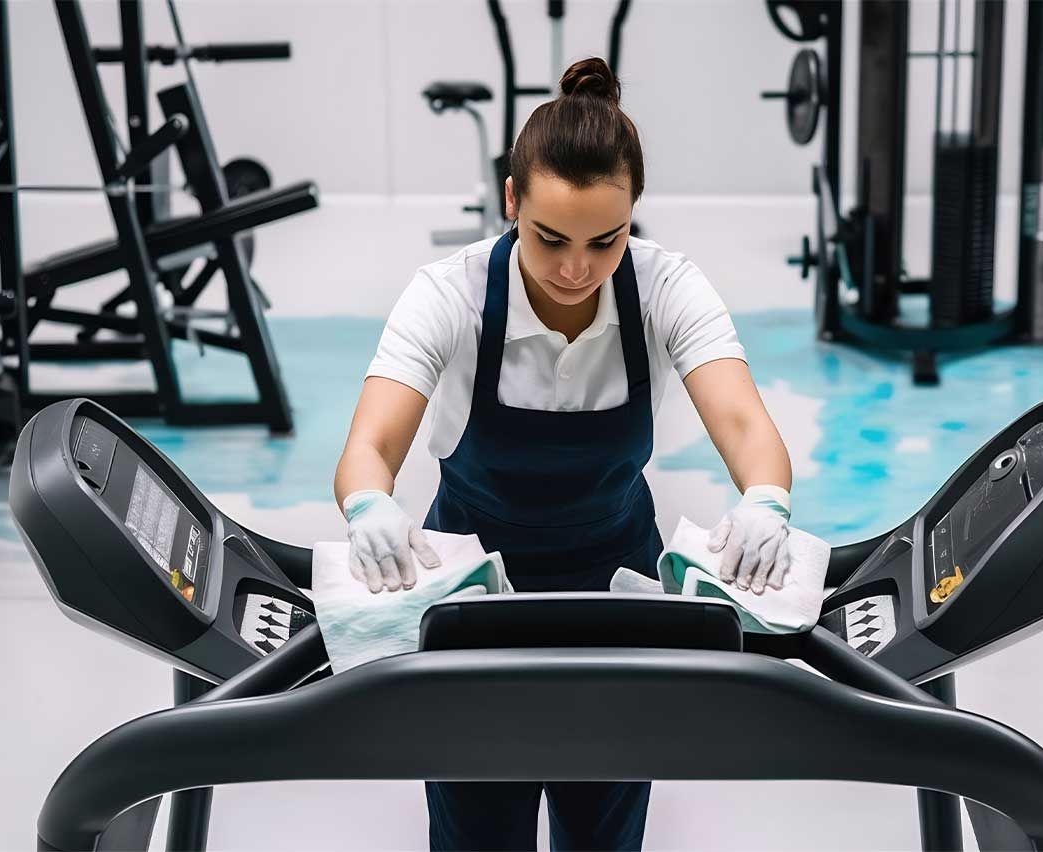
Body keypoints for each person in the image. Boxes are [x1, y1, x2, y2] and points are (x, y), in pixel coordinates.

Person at [334, 57, 794, 852]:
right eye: (550, 238)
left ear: (633, 217)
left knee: (602, 827)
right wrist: (370, 504)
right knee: (478, 829)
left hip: (617, 598)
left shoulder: (665, 287)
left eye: (605, 239)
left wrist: (766, 499)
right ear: (511, 201)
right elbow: (369, 444)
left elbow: (749, 429)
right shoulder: (450, 293)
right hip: (473, 604)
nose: (577, 268)